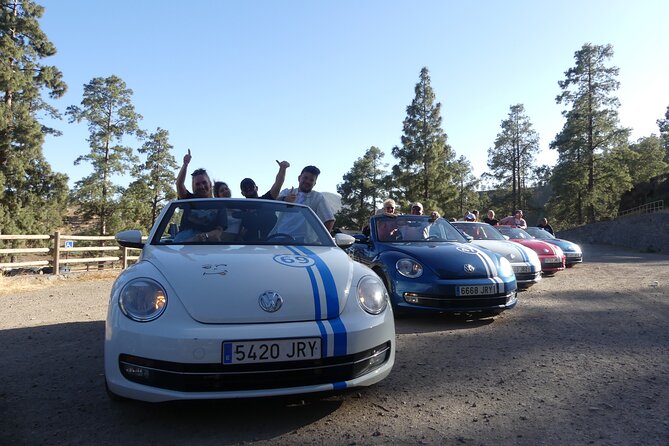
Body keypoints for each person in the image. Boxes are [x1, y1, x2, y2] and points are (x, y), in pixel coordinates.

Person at [278, 165, 335, 232]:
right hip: (279, 238)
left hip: (306, 241)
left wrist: (321, 241)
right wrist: (285, 199)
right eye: (305, 178)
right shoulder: (287, 192)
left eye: (311, 180)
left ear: (315, 183)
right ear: (299, 178)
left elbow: (329, 219)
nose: (307, 181)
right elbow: (273, 202)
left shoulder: (318, 198)